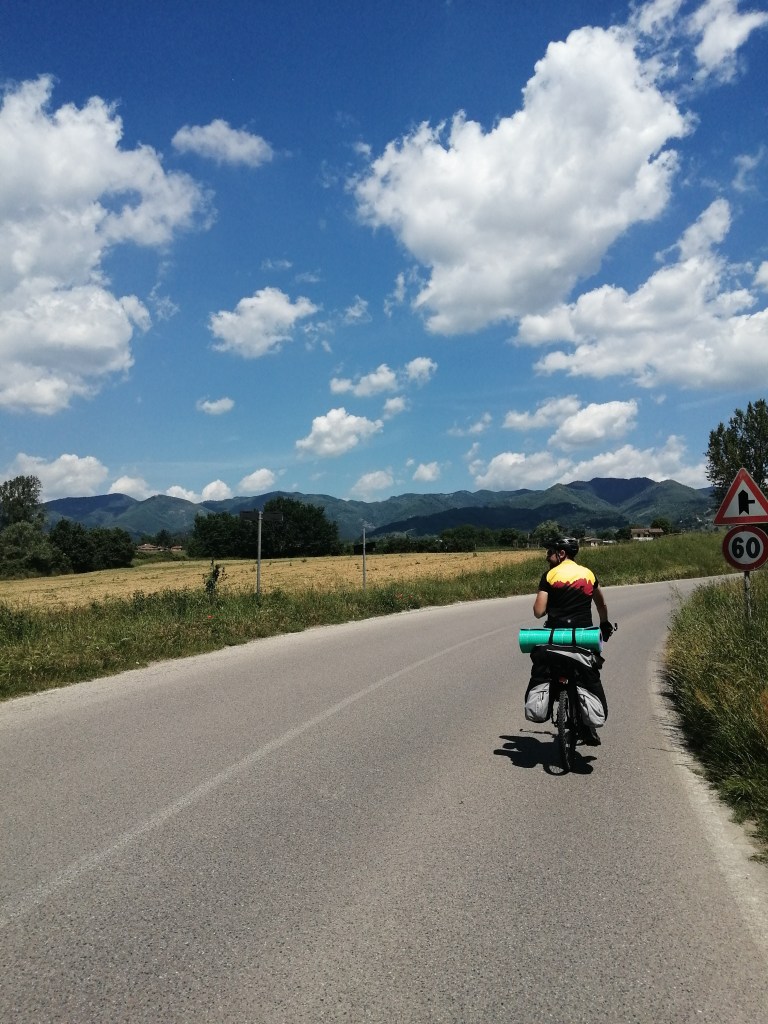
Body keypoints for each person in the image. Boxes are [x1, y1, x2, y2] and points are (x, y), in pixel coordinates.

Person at [525, 537, 613, 745]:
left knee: (547, 670)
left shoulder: (550, 575)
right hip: (584, 638)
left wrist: (551, 604)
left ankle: (549, 700)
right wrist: (605, 624)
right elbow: (601, 605)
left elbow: (538, 612)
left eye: (550, 552)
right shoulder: (588, 574)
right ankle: (589, 725)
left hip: (556, 637)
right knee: (588, 675)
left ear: (561, 553)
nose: (547, 556)